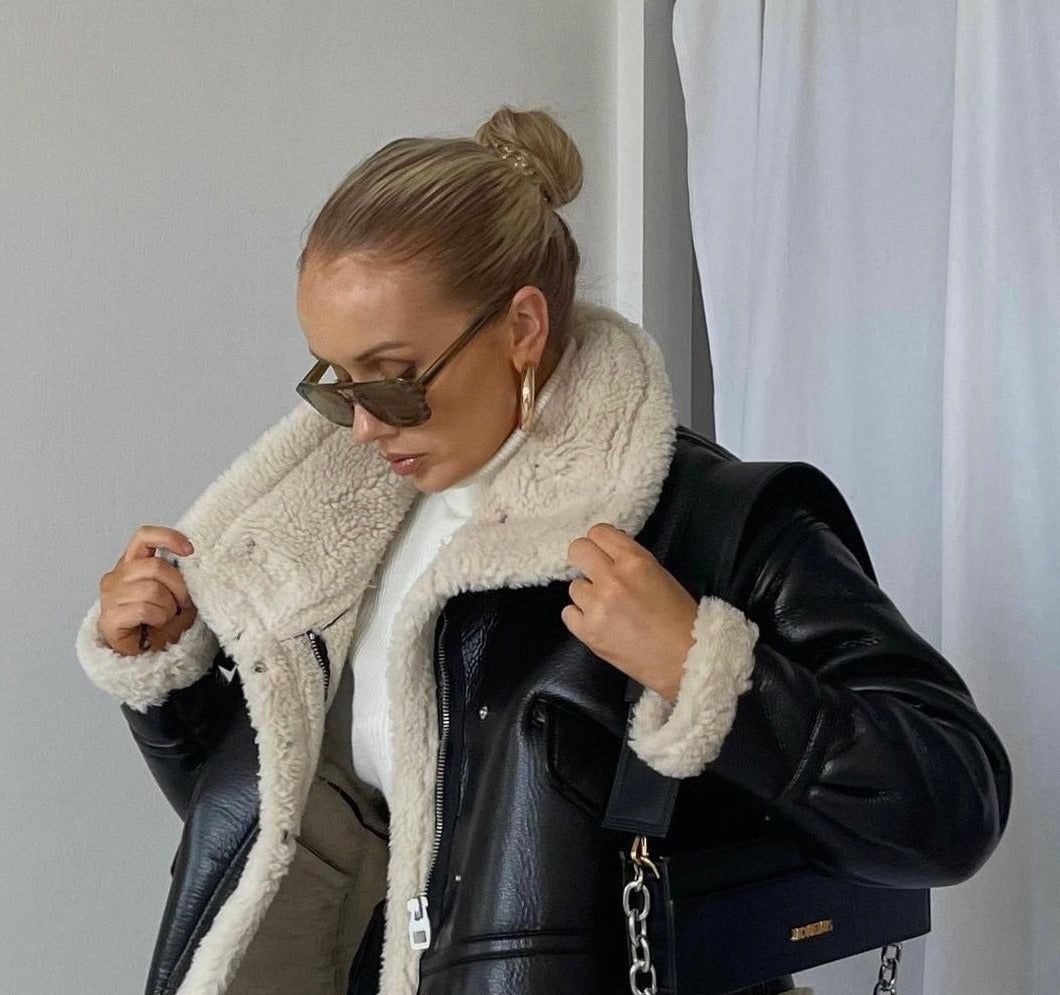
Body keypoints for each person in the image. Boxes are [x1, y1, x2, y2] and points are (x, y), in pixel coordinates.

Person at [75, 105, 1011, 995]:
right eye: (336, 381)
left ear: (522, 328)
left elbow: (952, 807)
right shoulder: (334, 538)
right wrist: (170, 679)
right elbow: (292, 854)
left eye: (395, 378)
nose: (361, 426)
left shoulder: (708, 523)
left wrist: (703, 669)